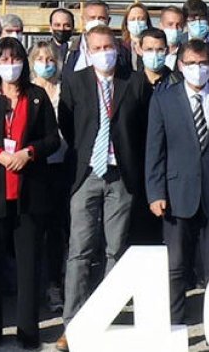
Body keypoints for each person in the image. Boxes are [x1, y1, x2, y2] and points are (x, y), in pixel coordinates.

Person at [0, 38, 59, 348]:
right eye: (4, 60)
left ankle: (28, 332)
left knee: (29, 267)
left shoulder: (37, 96)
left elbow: (52, 139)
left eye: (15, 59)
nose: (10, 65)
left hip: (29, 197)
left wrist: (29, 153)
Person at [57, 26, 148, 349]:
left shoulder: (134, 82)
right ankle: (73, 322)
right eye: (98, 47)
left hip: (121, 175)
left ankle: (104, 318)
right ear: (88, 49)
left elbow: (142, 128)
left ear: (118, 48)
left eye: (109, 46)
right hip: (86, 174)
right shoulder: (75, 81)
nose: (105, 52)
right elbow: (68, 124)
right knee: (79, 250)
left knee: (115, 249)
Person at [145, 38, 209, 326]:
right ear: (180, 66)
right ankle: (175, 324)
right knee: (175, 267)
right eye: (190, 64)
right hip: (177, 196)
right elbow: (155, 149)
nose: (197, 69)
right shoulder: (163, 100)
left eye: (202, 64)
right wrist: (155, 193)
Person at [30, 41, 70, 309]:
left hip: (62, 167)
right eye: (40, 58)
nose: (46, 63)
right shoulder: (27, 92)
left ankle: (55, 284)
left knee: (58, 231)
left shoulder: (66, 91)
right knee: (33, 231)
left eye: (50, 58)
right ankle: (31, 285)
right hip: (33, 169)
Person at [64, 0, 109, 71]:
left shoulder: (121, 50)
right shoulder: (69, 49)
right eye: (92, 18)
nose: (96, 21)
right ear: (83, 20)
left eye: (101, 18)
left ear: (108, 21)